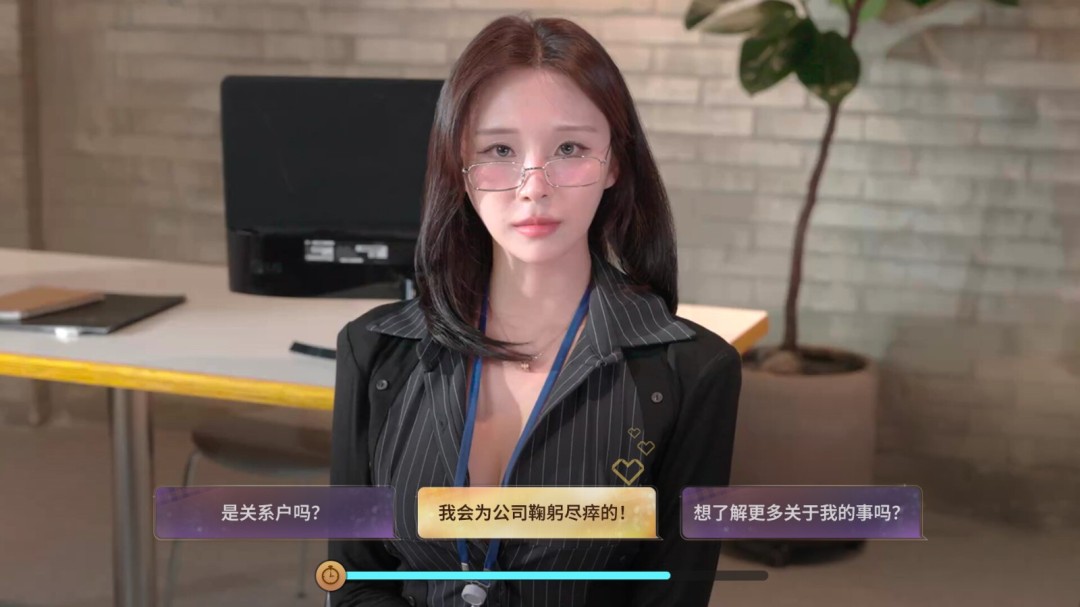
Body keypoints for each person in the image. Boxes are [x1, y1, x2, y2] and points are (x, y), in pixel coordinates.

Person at [329, 14, 742, 607]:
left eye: (569, 148)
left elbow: (671, 595)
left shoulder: (692, 372)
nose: (533, 186)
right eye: (499, 149)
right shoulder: (373, 350)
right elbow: (353, 583)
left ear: (614, 164)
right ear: (459, 166)